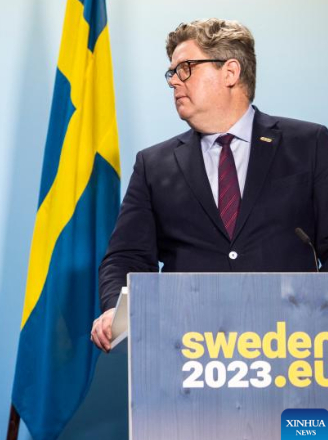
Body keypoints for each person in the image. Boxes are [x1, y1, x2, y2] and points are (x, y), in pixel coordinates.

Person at [91, 19, 328, 351]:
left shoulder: (310, 144)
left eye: (185, 68)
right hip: (188, 354)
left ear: (230, 72)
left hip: (293, 350)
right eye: (171, 72)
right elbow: (128, 256)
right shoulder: (154, 164)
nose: (174, 80)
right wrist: (116, 310)